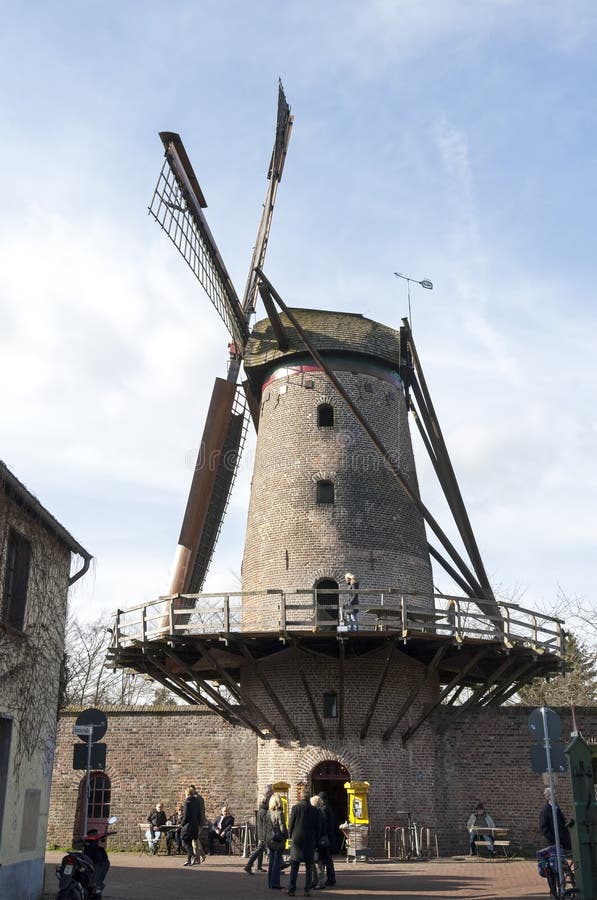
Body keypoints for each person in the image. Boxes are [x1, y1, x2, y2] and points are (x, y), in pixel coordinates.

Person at [287, 786, 321, 897]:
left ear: (300, 796)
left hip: (297, 840)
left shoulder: (295, 808)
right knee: (309, 866)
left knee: (294, 866)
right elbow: (318, 828)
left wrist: (290, 836)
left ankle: (292, 889)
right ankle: (307, 890)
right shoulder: (315, 810)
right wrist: (316, 840)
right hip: (309, 840)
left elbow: (290, 824)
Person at [264, 791, 288, 890]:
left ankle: (270, 882)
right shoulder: (279, 813)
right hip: (278, 840)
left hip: (270, 839)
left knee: (271, 862)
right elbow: (282, 827)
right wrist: (286, 835)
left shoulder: (268, 813)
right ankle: (275, 883)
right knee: (276, 862)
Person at [243, 793, 270, 874]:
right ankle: (248, 866)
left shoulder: (260, 811)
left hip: (261, 834)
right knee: (260, 851)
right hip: (264, 835)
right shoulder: (264, 812)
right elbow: (265, 826)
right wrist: (266, 836)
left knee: (259, 851)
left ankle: (254, 866)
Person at [540, 787, 571, 851]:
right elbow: (544, 827)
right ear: (547, 797)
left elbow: (562, 822)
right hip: (552, 842)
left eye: (555, 794)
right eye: (552, 795)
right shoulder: (545, 810)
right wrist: (553, 838)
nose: (555, 796)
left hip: (561, 840)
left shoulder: (556, 807)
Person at [309, 795, 328, 890]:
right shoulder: (321, 813)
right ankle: (316, 881)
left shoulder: (318, 814)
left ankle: (320, 882)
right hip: (321, 840)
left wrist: (315, 841)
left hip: (319, 841)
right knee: (317, 861)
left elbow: (318, 829)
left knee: (318, 862)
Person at [318, 791, 337, 886]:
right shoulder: (328, 808)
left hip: (325, 838)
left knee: (325, 859)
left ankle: (329, 879)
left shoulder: (323, 809)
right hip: (329, 837)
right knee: (328, 859)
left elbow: (323, 824)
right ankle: (331, 878)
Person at [180, 785, 202, 867]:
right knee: (189, 842)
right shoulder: (197, 802)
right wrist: (199, 824)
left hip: (188, 826)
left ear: (187, 793)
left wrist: (181, 824)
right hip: (195, 825)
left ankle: (193, 855)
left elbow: (186, 816)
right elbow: (199, 815)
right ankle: (188, 860)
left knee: (184, 841)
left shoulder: (187, 802)